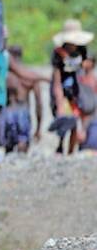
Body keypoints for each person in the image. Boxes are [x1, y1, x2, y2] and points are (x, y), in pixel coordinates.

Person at [49, 19, 94, 154]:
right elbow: (56, 81)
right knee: (64, 119)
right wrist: (60, 103)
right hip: (61, 90)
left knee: (75, 119)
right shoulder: (58, 54)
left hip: (76, 90)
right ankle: (60, 146)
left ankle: (70, 152)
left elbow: (87, 70)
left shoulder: (82, 50)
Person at [5, 45, 49, 153]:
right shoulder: (31, 76)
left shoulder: (6, 75)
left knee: (8, 145)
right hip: (23, 111)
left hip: (8, 112)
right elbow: (39, 104)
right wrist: (39, 128)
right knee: (23, 143)